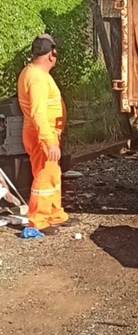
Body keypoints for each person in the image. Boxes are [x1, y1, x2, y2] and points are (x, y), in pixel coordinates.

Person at [17, 34, 70, 232]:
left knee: (52, 173)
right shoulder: (37, 78)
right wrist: (49, 142)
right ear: (52, 54)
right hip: (42, 136)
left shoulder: (33, 73)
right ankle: (39, 220)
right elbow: (37, 113)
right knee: (43, 176)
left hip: (43, 134)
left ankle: (55, 214)